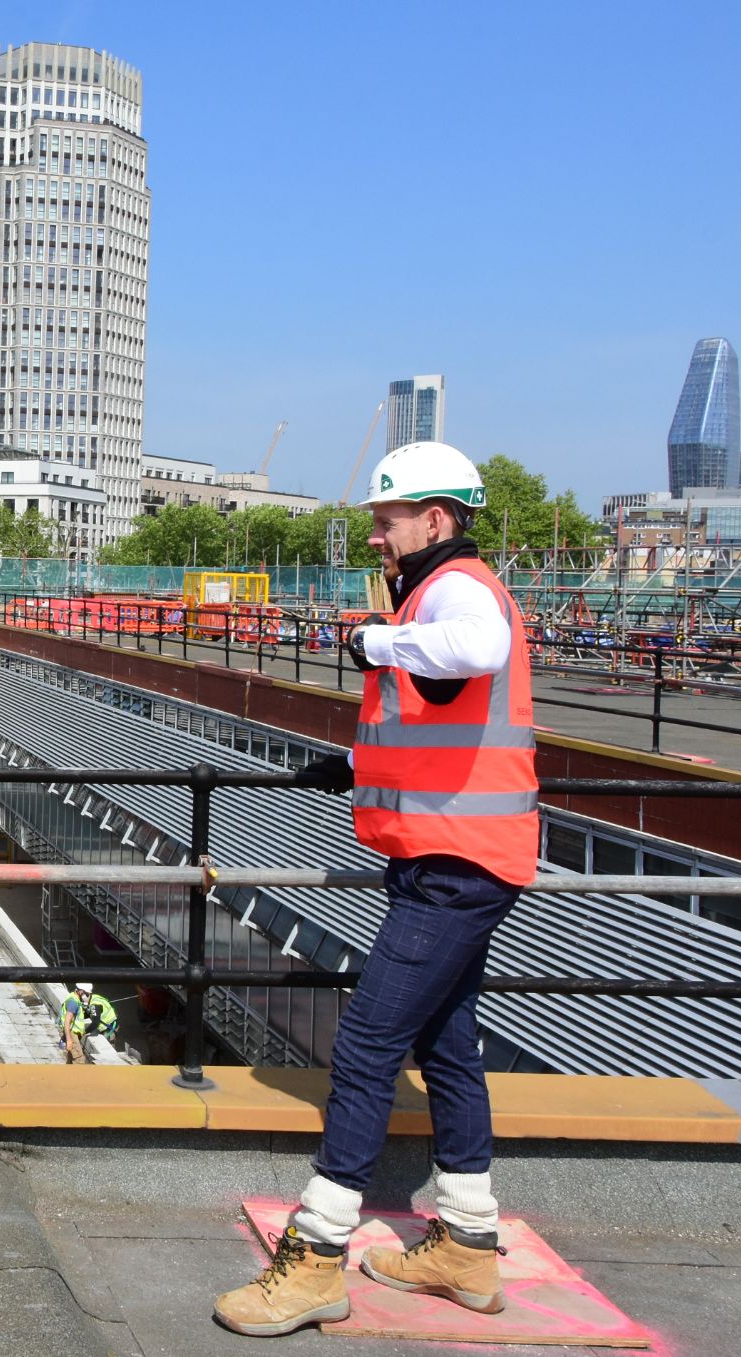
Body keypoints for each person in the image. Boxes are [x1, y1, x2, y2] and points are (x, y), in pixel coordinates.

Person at [215, 442, 538, 1337]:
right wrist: (353, 762)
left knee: (365, 1043)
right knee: (445, 1041)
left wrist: (369, 639)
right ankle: (467, 1242)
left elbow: (476, 647)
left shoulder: (456, 588)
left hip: (455, 864)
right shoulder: (432, 593)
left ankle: (317, 1254)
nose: (374, 531)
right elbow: (449, 724)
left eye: (387, 516)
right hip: (455, 854)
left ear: (434, 519)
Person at [61, 980, 118, 1061]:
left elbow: (95, 1023)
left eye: (88, 994)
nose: (87, 995)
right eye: (86, 993)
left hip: (109, 1028)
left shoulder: (95, 1005)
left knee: (108, 1053)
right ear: (80, 991)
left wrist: (85, 1032)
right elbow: (86, 1014)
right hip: (107, 1024)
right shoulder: (90, 999)